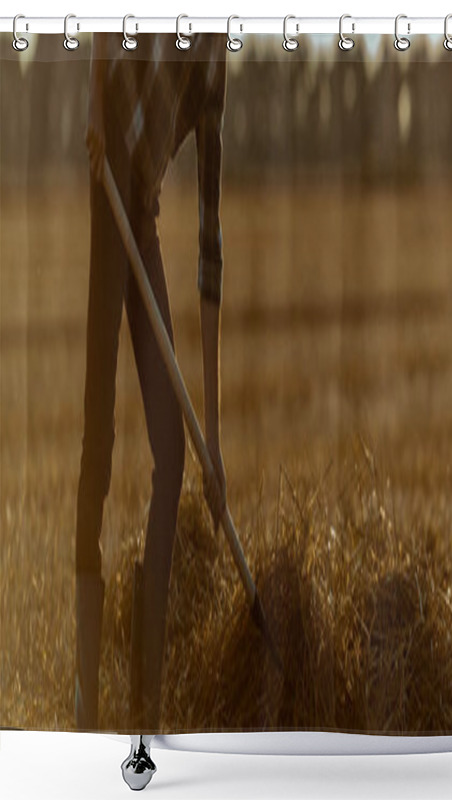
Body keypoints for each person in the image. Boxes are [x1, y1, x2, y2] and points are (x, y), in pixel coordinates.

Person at [74, 31, 228, 733]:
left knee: (174, 456)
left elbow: (210, 246)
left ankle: (148, 700)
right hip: (110, 203)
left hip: (147, 225)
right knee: (99, 438)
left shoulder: (215, 65)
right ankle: (86, 696)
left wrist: (215, 440)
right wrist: (100, 122)